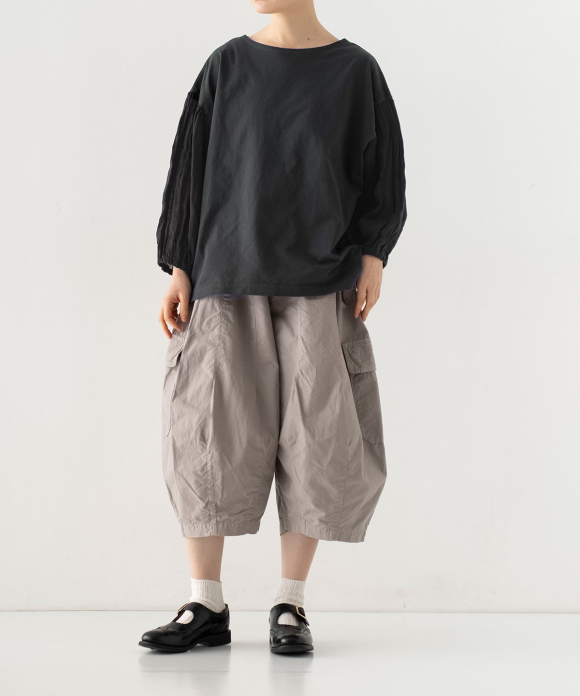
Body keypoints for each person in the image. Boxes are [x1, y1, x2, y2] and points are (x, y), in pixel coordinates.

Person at [139, 0, 407, 656]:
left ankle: (290, 601)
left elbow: (383, 171)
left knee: (316, 437)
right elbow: (191, 168)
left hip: (321, 280)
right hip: (226, 273)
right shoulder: (227, 65)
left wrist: (374, 254)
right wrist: (179, 266)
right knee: (207, 431)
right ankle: (205, 602)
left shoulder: (356, 72)